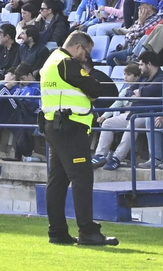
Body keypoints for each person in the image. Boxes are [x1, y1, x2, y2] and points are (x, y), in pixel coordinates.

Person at [37, 31, 118, 247]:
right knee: (82, 178)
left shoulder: (51, 61)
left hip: (55, 126)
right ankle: (88, 232)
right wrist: (89, 85)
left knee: (58, 180)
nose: (86, 59)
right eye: (86, 53)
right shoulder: (67, 63)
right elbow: (95, 89)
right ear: (79, 47)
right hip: (70, 127)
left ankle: (58, 232)